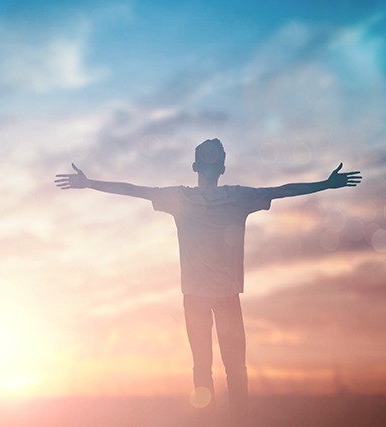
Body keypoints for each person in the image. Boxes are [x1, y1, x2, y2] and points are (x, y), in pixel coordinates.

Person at [54, 138, 362, 427]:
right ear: (222, 169)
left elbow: (134, 189)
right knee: (234, 370)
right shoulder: (238, 197)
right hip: (224, 297)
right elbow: (283, 190)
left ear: (195, 167)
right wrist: (326, 184)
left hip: (199, 298)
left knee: (204, 369)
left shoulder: (180, 197)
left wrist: (89, 183)